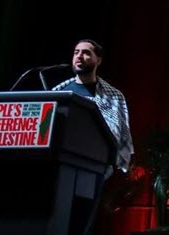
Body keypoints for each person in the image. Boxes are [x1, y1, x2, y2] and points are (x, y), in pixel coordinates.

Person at [52, 39, 133, 173]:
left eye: (86, 53)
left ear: (98, 60)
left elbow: (120, 134)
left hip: (95, 163)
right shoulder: (59, 93)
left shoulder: (113, 97)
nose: (79, 56)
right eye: (76, 52)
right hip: (61, 159)